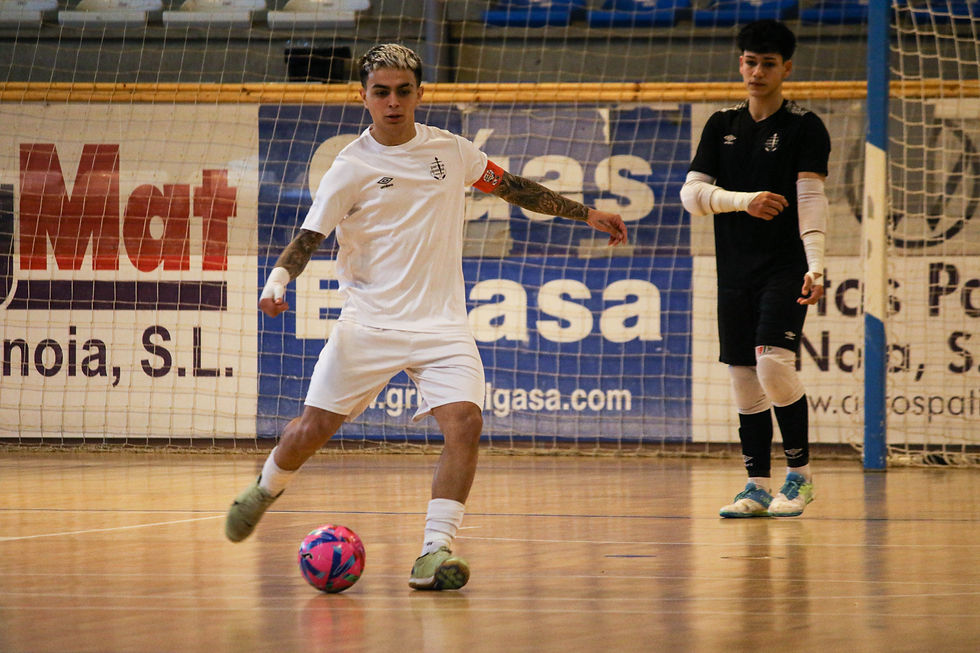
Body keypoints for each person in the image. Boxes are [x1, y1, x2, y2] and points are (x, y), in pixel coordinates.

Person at [225, 43, 628, 589]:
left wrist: (587, 214)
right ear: (363, 96)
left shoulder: (453, 151)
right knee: (309, 431)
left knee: (465, 422)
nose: (393, 102)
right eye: (381, 92)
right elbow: (308, 238)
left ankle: (434, 552)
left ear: (421, 93)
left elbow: (514, 187)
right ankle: (265, 488)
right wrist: (276, 282)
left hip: (442, 327)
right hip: (368, 324)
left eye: (403, 91)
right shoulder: (350, 167)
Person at [680, 20, 831, 518]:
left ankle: (800, 477)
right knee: (744, 378)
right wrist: (744, 201)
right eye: (750, 61)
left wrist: (817, 267)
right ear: (740, 63)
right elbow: (691, 195)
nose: (757, 71)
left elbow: (810, 197)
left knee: (772, 363)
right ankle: (756, 486)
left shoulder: (804, 126)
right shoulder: (721, 124)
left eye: (768, 63)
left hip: (785, 267)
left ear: (786, 68)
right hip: (735, 271)